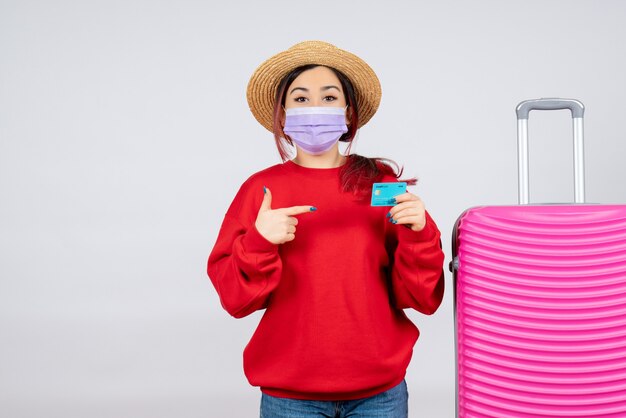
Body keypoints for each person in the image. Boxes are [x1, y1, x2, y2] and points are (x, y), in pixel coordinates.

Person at [207, 40, 445, 418]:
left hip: (379, 392)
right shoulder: (261, 190)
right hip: (290, 395)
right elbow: (235, 299)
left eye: (328, 97)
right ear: (281, 115)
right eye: (300, 99)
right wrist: (259, 241)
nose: (315, 108)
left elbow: (421, 297)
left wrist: (419, 234)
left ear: (349, 114)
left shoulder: (378, 184)